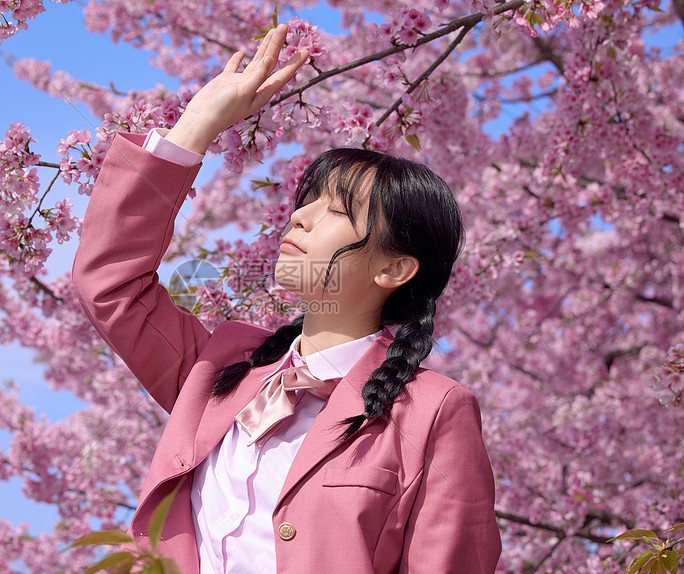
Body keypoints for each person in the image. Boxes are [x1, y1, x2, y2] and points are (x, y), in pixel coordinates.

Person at [72, 23, 501, 574]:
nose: (299, 216)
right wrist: (197, 124)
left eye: (336, 212)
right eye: (307, 201)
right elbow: (111, 281)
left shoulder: (433, 412)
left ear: (395, 267)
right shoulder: (220, 369)